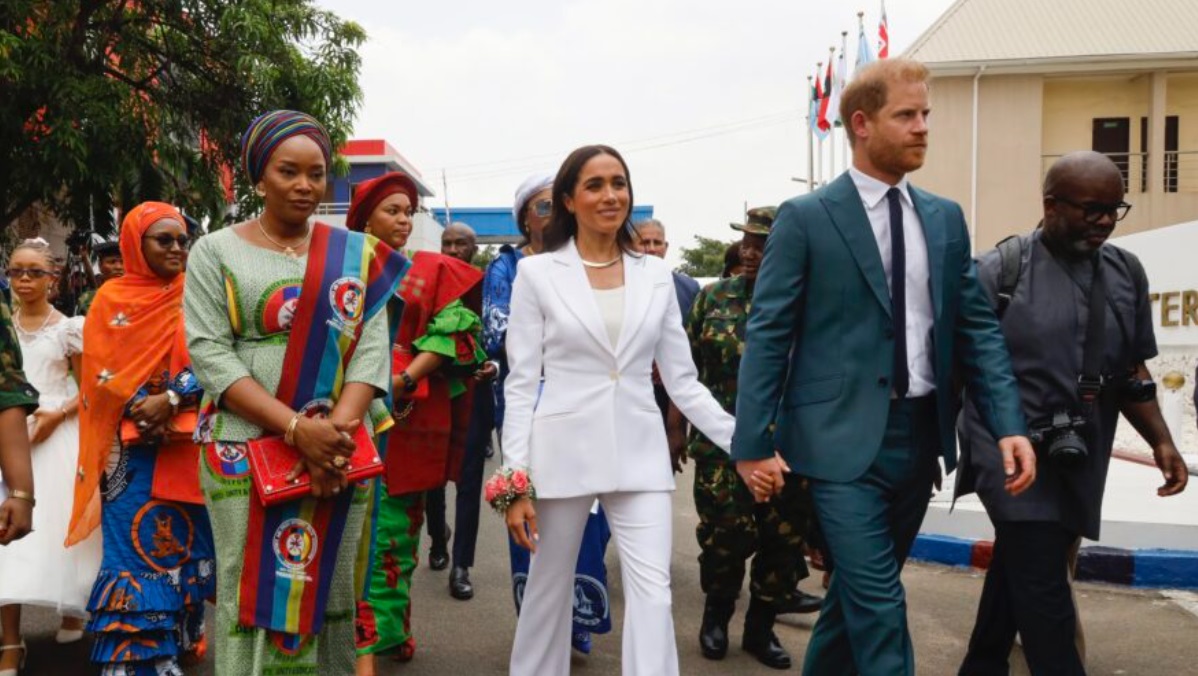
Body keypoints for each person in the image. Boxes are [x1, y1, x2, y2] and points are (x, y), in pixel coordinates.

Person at [731, 58, 1037, 676]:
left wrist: (1010, 423)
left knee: (853, 602)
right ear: (862, 124)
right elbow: (769, 333)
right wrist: (751, 443)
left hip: (920, 440)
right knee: (879, 606)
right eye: (906, 115)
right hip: (837, 443)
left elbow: (976, 328)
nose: (923, 127)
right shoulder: (807, 217)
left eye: (925, 114)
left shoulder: (944, 217)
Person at [502, 145, 746, 675]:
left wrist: (744, 443)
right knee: (548, 586)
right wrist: (514, 480)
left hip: (639, 454)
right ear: (569, 200)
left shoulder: (655, 275)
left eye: (619, 183)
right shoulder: (537, 274)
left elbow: (683, 381)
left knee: (654, 593)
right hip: (562, 453)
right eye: (595, 185)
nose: (610, 195)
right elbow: (520, 384)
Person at [184, 111, 406, 675]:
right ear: (259, 177)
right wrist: (295, 429)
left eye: (316, 173)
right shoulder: (214, 251)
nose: (305, 185)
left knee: (329, 587)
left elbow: (370, 351)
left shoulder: (355, 252)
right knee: (250, 588)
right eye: (288, 171)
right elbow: (210, 353)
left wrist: (333, 439)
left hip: (339, 447)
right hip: (243, 445)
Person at [956, 151, 1189, 675]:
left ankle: (981, 666)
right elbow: (957, 366)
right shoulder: (998, 271)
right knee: (1045, 592)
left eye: (1114, 209)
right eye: (1091, 209)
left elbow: (1132, 371)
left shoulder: (1125, 272)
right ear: (1051, 206)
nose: (1105, 221)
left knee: (1019, 566)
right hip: (1008, 454)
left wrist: (1161, 441)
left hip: (1079, 453)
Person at [66, 202, 214, 676]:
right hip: (130, 453)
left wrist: (171, 397)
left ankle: (178, 636)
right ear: (136, 244)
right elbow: (99, 372)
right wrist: (139, 406)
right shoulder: (110, 299)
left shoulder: (199, 293)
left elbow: (216, 355)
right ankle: (139, 660)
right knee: (134, 544)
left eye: (182, 240)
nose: (177, 248)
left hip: (189, 443)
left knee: (186, 543)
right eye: (163, 239)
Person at [345, 172, 485, 670]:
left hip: (407, 417)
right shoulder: (339, 271)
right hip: (344, 414)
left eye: (409, 211)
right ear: (365, 220)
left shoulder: (431, 271)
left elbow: (454, 335)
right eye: (393, 211)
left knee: (396, 533)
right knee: (345, 532)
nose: (404, 220)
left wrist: (402, 378)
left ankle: (387, 632)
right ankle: (346, 636)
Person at [686, 208, 821, 670]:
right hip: (721, 447)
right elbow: (686, 371)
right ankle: (716, 617)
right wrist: (673, 430)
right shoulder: (712, 298)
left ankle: (760, 631)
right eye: (745, 242)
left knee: (781, 542)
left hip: (790, 448)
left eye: (760, 245)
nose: (748, 252)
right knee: (725, 537)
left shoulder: (809, 302)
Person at [487, 173, 613, 654]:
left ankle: (579, 615)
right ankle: (541, 622)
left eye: (556, 205)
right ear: (524, 218)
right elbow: (497, 333)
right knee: (534, 510)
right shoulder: (507, 267)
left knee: (591, 513)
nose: (552, 215)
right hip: (529, 409)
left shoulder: (585, 261)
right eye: (542, 207)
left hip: (588, 410)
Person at [0, 238, 99, 673]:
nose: (24, 279)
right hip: (10, 435)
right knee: (7, 545)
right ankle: (10, 641)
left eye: (34, 272)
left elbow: (91, 388)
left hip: (56, 434)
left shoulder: (69, 328)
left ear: (52, 279)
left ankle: (72, 612)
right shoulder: (3, 328)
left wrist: (58, 414)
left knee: (60, 534)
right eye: (16, 271)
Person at [432, 221, 499, 600]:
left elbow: (504, 340)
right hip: (434, 393)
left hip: (475, 394)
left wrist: (493, 366)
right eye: (448, 243)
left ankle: (462, 565)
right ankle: (437, 537)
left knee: (468, 480)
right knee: (432, 476)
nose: (454, 250)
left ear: (475, 248)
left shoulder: (489, 287)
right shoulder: (429, 281)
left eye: (461, 243)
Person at [75, 241, 124, 316]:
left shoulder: (138, 296)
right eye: (112, 262)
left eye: (123, 262)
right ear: (100, 265)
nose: (118, 267)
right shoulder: (88, 299)